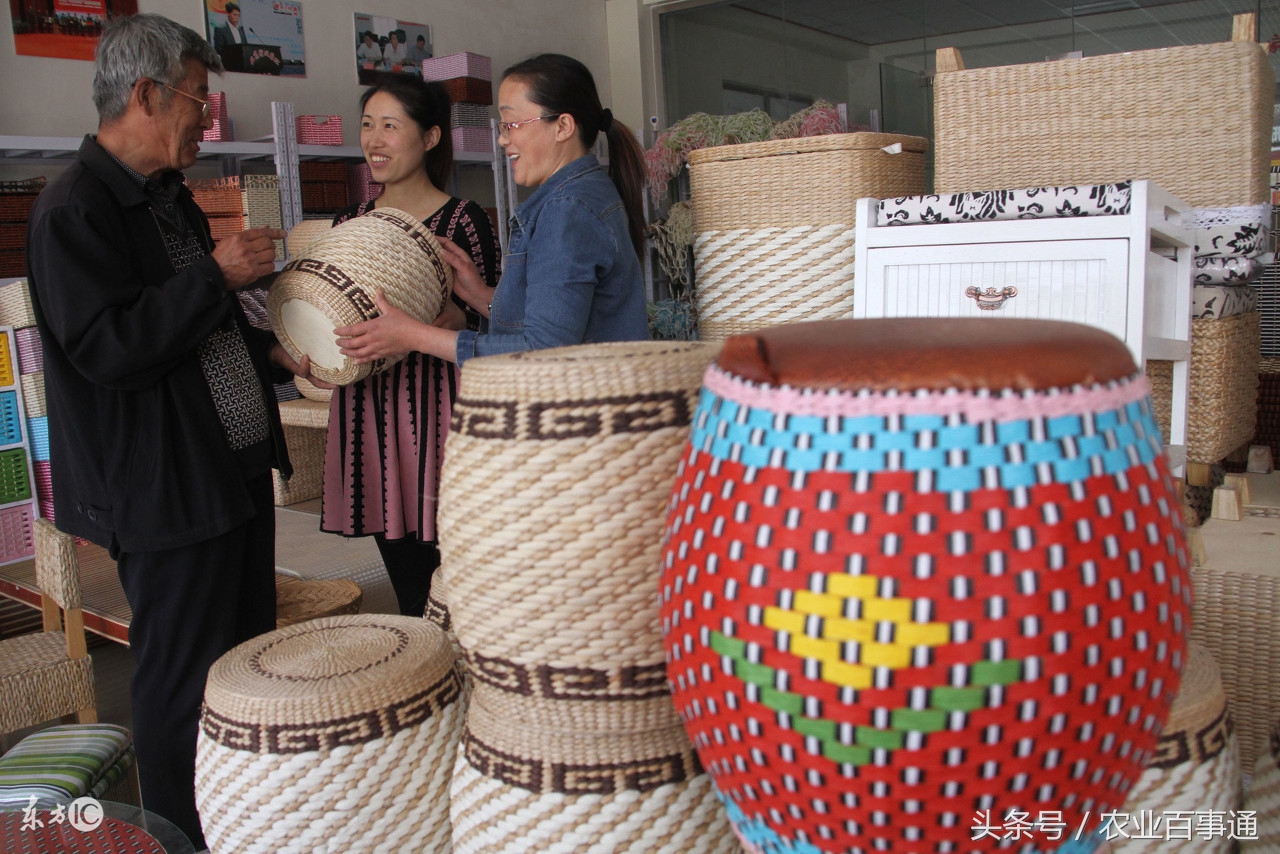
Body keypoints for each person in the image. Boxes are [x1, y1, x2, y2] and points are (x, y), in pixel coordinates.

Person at [25, 13, 319, 849]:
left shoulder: (167, 199)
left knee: (244, 664)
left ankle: (240, 815)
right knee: (180, 680)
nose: (209, 116)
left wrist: (284, 355)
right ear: (147, 93)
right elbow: (108, 350)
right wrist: (213, 275)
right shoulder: (73, 211)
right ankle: (175, 834)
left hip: (225, 473)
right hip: (161, 489)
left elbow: (206, 329)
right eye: (200, 95)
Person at [335, 53, 649, 372]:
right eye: (503, 126)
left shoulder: (566, 210)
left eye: (512, 124)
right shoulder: (586, 192)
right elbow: (565, 322)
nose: (502, 139)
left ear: (563, 126)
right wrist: (482, 296)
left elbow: (541, 353)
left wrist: (412, 335)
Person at [321, 76, 501, 618]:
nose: (374, 139)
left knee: (459, 574)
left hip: (439, 411)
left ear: (429, 138)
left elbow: (493, 325)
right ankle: (422, 675)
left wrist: (458, 315)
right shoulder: (348, 224)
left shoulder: (462, 220)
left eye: (390, 126)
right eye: (368, 124)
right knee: (406, 582)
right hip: (370, 413)